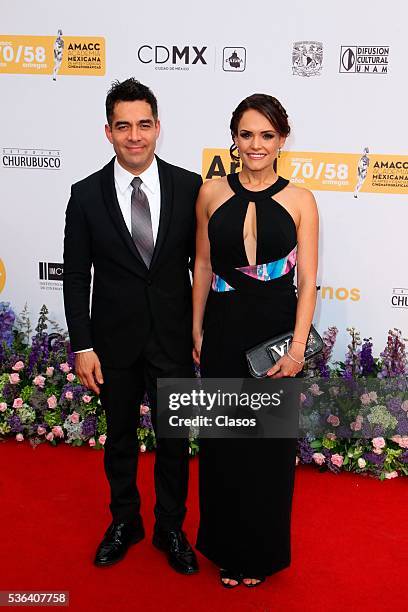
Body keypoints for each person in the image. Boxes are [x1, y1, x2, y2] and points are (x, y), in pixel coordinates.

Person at [63, 78, 202, 574]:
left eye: (144, 124)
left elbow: (202, 265)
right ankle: (125, 520)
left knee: (173, 439)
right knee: (119, 437)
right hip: (112, 342)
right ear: (108, 131)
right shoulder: (84, 195)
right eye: (124, 126)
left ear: (158, 128)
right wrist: (83, 345)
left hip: (172, 338)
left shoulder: (190, 187)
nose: (135, 135)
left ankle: (170, 526)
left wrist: (202, 330)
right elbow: (76, 276)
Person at [192, 94, 318, 587]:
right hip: (222, 326)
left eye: (267, 135)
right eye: (247, 135)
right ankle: (226, 548)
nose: (256, 145)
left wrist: (297, 346)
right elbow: (202, 266)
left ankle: (260, 553)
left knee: (266, 449)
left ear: (282, 140)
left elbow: (307, 281)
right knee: (224, 444)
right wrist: (195, 328)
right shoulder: (210, 193)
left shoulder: (301, 199)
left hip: (274, 330)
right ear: (235, 139)